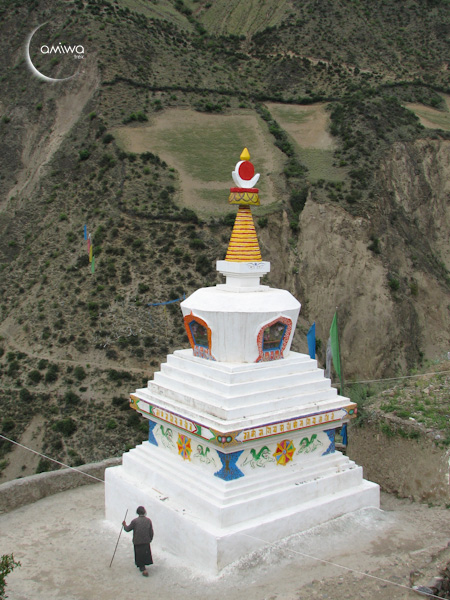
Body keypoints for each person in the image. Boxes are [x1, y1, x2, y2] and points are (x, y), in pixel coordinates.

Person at [122, 506, 154, 576]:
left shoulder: (135, 521)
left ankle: (143, 568)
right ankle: (144, 568)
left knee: (139, 555)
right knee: (145, 554)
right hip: (146, 541)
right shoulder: (148, 520)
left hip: (137, 541)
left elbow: (127, 529)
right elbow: (151, 532)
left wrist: (124, 525)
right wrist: (150, 539)